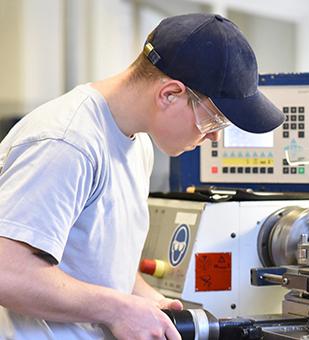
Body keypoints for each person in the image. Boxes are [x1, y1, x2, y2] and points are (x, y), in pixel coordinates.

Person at [0, 13, 284, 340]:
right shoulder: (67, 142)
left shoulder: (139, 145)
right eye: (213, 121)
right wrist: (117, 309)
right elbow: (7, 272)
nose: (213, 139)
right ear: (169, 94)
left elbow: (94, 257)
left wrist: (144, 298)